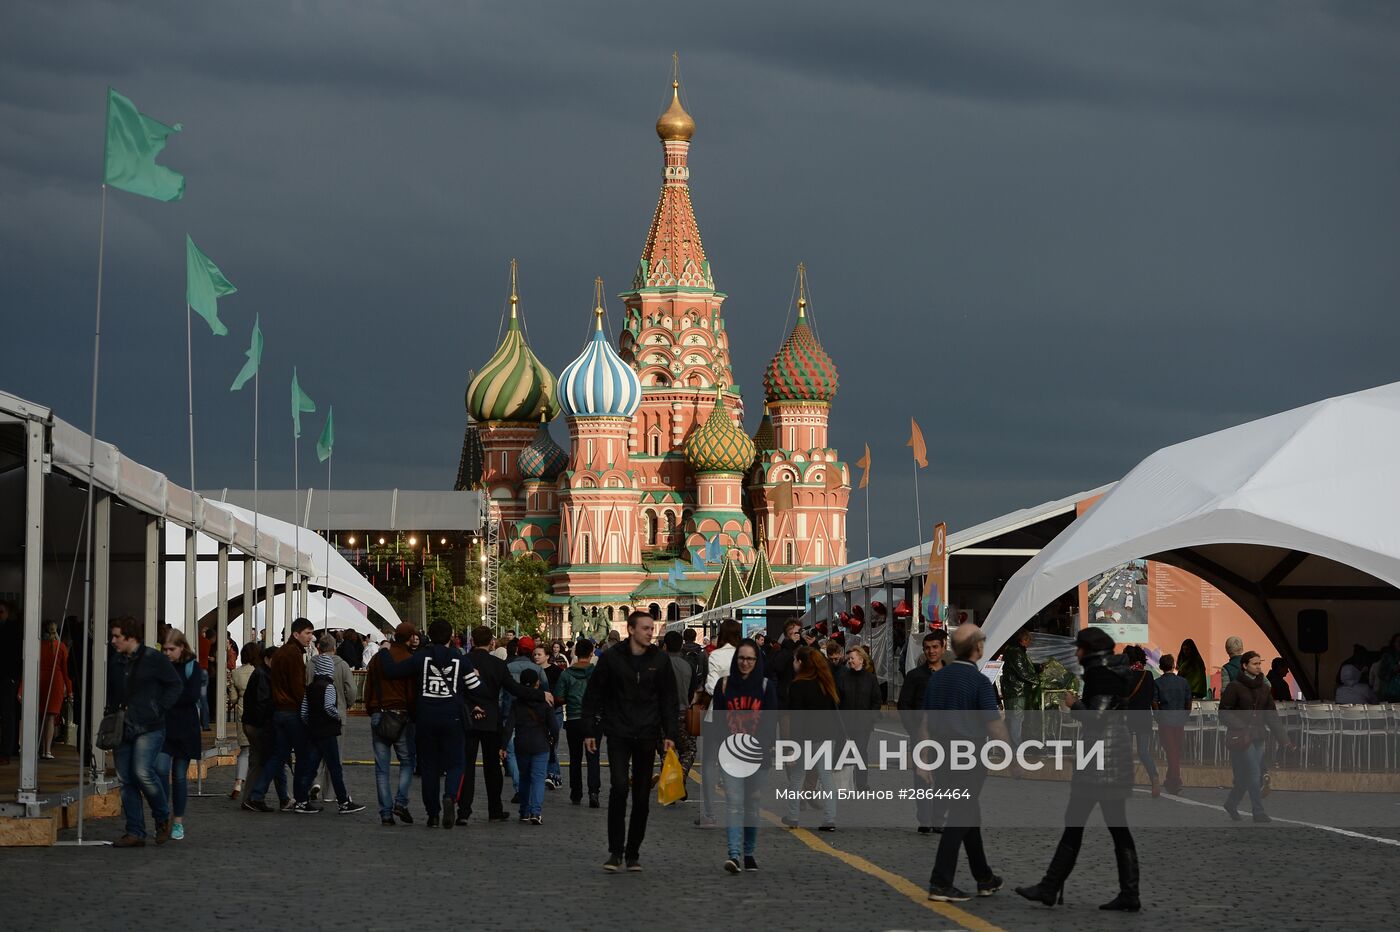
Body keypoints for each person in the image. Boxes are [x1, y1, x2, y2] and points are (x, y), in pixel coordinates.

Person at [1016, 627, 1137, 911]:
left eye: (1080, 648)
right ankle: (1129, 893)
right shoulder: (1116, 671)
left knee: (1076, 823)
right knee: (1116, 828)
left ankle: (1049, 886)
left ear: (1090, 650)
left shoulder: (1100, 674)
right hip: (1113, 758)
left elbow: (1096, 716)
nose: (1077, 653)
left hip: (1099, 762)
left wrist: (1074, 704)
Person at [582, 610, 677, 872]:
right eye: (646, 628)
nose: (651, 632)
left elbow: (668, 698)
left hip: (647, 733)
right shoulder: (612, 658)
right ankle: (615, 851)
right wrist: (590, 730)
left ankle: (633, 852)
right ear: (631, 629)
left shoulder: (660, 659)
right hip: (619, 732)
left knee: (641, 797)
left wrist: (669, 734)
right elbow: (594, 694)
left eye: (652, 628)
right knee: (619, 787)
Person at [378, 619, 491, 829]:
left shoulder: (421, 658)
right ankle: (449, 796)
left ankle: (432, 815)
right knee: (457, 763)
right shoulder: (461, 660)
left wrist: (384, 650)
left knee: (429, 767)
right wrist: (477, 677)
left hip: (425, 717)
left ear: (428, 635)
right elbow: (478, 690)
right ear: (450, 637)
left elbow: (392, 671)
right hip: (453, 718)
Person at [922, 623, 1007, 902]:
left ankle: (985, 878)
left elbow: (925, 722)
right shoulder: (980, 682)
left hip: (941, 755)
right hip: (969, 756)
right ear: (978, 648)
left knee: (968, 814)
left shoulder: (937, 678)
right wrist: (1014, 757)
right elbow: (994, 725)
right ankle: (940, 882)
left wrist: (922, 758)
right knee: (960, 817)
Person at [106, 616, 182, 847]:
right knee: (126, 779)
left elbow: (175, 685)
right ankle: (135, 831)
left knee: (142, 773)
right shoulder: (116, 661)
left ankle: (161, 817)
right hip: (124, 725)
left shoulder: (154, 658)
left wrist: (158, 708)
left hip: (150, 726)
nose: (113, 640)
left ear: (130, 637)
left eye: (117, 636)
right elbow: (113, 690)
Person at [711, 638, 779, 873]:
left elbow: (770, 723)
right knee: (734, 804)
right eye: (741, 658)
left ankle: (749, 852)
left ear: (757, 660)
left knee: (752, 805)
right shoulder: (723, 685)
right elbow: (718, 723)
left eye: (750, 658)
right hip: (730, 754)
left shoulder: (765, 687)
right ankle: (734, 855)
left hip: (757, 755)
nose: (745, 663)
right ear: (735, 659)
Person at [244, 618, 318, 813]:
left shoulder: (282, 652)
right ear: (296, 634)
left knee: (278, 756)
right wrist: (307, 709)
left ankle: (257, 795)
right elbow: (297, 686)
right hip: (291, 712)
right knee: (302, 756)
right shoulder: (293, 654)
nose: (311, 637)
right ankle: (301, 800)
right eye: (308, 633)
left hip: (279, 713)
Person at [1220, 651, 1294, 823]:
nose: (1259, 667)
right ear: (1245, 666)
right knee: (1254, 772)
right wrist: (1241, 726)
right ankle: (1258, 812)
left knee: (1245, 776)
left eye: (1260, 664)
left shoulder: (1264, 688)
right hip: (1241, 737)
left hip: (1258, 737)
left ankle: (1231, 803)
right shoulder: (1234, 687)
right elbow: (1224, 712)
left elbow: (1272, 716)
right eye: (1255, 664)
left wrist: (1285, 741)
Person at [461, 625, 520, 824]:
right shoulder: (497, 664)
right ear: (491, 642)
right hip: (491, 718)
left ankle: (463, 810)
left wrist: (471, 706)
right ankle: (495, 808)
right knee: (493, 767)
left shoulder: (464, 662)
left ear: (472, 641)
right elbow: (513, 688)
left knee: (466, 766)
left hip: (468, 718)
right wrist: (538, 694)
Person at [364, 622, 418, 826]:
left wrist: (372, 709)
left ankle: (385, 813)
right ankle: (400, 801)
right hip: (401, 715)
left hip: (379, 713)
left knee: (382, 768)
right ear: (411, 638)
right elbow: (411, 692)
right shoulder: (409, 660)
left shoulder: (379, 658)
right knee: (407, 761)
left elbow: (369, 685)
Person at [782, 646, 841, 831]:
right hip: (825, 738)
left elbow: (797, 718)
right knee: (826, 777)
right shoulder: (826, 683)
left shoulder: (798, 685)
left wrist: (792, 746)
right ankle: (829, 819)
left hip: (805, 738)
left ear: (800, 663)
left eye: (795, 660)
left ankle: (792, 816)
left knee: (797, 777)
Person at [301, 651, 365, 814]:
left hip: (314, 731)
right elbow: (329, 706)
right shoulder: (329, 687)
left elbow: (304, 712)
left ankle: (301, 799)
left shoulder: (310, 688)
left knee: (312, 766)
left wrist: (310, 723)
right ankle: (343, 801)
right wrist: (337, 716)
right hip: (327, 731)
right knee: (335, 767)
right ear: (329, 670)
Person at [154, 630, 202, 841]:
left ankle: (178, 821)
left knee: (180, 776)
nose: (167, 653)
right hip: (164, 726)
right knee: (161, 769)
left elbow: (191, 695)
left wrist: (168, 696)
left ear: (182, 647)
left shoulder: (192, 666)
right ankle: (163, 816)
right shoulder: (160, 666)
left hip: (185, 728)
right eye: (165, 649)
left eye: (171, 649)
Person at [695, 619, 743, 828]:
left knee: (708, 763)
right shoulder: (746, 655)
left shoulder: (715, 655)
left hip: (716, 714)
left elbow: (711, 685)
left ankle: (708, 812)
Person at [899, 629, 947, 833]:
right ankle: (925, 818)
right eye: (927, 648)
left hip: (947, 736)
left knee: (944, 778)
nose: (931, 651)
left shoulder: (951, 674)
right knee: (922, 778)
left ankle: (938, 818)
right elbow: (904, 705)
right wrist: (913, 730)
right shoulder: (914, 676)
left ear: (944, 647)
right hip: (921, 735)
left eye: (935, 647)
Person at [502, 666, 558, 824]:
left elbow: (509, 726)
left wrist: (503, 745)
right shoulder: (545, 702)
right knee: (539, 779)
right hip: (541, 744)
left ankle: (524, 811)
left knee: (525, 778)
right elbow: (553, 726)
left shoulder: (516, 704)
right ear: (537, 683)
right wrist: (553, 739)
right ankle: (536, 811)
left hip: (522, 744)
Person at [240, 645, 288, 810]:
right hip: (258, 724)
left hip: (252, 722)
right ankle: (256, 797)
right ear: (269, 659)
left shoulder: (262, 672)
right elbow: (262, 703)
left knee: (257, 761)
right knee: (268, 761)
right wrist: (267, 725)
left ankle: (249, 798)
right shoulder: (263, 675)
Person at [555, 638, 601, 807]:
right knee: (593, 757)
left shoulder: (566, 674)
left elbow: (558, 697)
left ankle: (576, 793)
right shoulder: (596, 672)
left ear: (575, 653)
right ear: (591, 654)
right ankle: (594, 792)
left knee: (575, 757)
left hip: (574, 719)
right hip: (594, 719)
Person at [310, 633, 356, 801]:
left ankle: (314, 781)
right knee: (335, 756)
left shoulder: (311, 664)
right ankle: (329, 794)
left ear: (319, 648)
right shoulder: (342, 665)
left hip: (314, 716)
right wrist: (347, 704)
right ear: (335, 648)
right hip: (337, 715)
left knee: (314, 752)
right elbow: (351, 689)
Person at [838, 646, 880, 791]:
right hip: (845, 722)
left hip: (863, 723)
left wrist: (871, 717)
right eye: (848, 658)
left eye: (852, 658)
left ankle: (861, 783)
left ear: (861, 659)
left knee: (861, 751)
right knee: (844, 751)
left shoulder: (871, 678)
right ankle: (842, 783)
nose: (850, 661)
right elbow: (838, 700)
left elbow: (876, 700)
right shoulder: (843, 677)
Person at [1121, 645, 1160, 797]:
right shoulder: (1148, 675)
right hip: (1144, 717)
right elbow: (1152, 698)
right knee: (1144, 752)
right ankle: (1154, 778)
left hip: (1128, 717)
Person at [663, 630, 697, 799]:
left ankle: (671, 786)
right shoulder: (688, 665)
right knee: (689, 749)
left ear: (665, 646)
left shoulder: (659, 665)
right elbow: (692, 692)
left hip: (662, 715)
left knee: (665, 752)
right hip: (683, 713)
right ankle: (682, 775)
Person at [1153, 654, 1192, 796]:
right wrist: (1186, 715)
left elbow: (1154, 702)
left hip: (1165, 720)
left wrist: (1158, 717)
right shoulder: (1183, 682)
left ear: (1160, 667)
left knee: (1170, 750)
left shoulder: (1157, 683)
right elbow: (1188, 702)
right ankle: (1171, 779)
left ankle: (1175, 780)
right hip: (1179, 720)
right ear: (1174, 665)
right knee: (1175, 750)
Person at [36, 620, 72, 759]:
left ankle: (36, 747)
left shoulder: (38, 645)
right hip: (55, 681)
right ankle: (47, 750)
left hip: (39, 680)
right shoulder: (61, 647)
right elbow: (66, 670)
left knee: (39, 716)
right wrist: (69, 690)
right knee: (50, 718)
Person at [229, 641, 259, 800]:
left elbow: (233, 698)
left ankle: (238, 783)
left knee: (245, 750)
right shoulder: (258, 671)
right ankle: (254, 785)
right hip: (258, 710)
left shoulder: (236, 673)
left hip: (242, 709)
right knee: (258, 751)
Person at [1000, 628, 1037, 747]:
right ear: (1023, 640)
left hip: (1012, 690)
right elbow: (1022, 672)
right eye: (1028, 640)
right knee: (1016, 719)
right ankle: (1016, 746)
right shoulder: (1016, 652)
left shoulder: (1012, 651)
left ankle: (1007, 744)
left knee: (1011, 718)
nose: (1029, 643)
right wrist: (1037, 680)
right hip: (1017, 691)